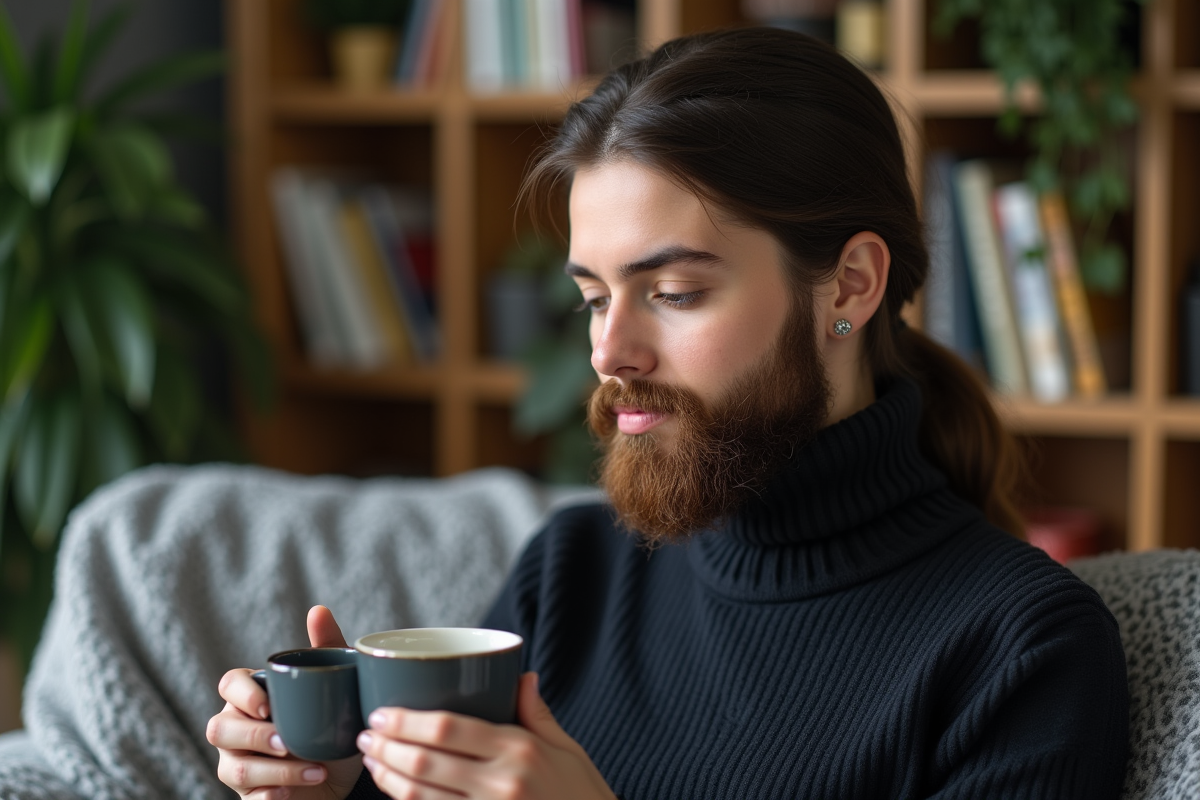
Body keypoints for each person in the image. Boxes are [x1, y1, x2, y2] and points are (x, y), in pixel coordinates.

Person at [207, 26, 1129, 800]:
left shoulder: (1020, 648)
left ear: (850, 282)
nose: (610, 355)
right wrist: (331, 787)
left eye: (676, 292)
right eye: (596, 298)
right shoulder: (571, 575)